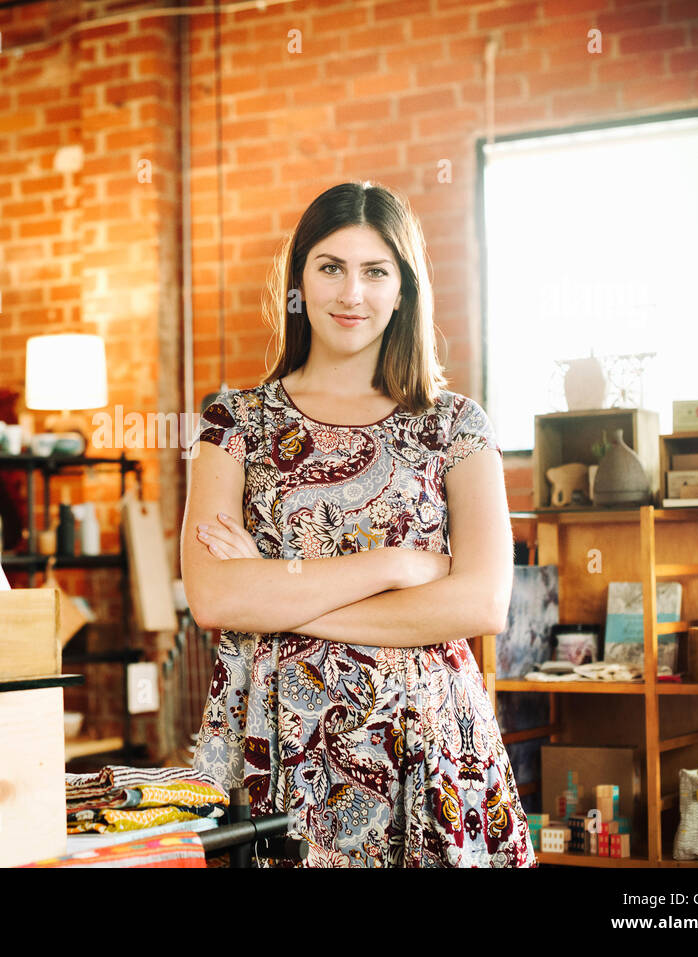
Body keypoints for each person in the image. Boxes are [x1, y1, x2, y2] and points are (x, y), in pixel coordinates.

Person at [180, 181, 536, 868]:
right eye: (330, 266)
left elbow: (482, 603)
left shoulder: (455, 425)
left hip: (427, 751)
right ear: (298, 281)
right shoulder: (232, 422)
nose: (353, 293)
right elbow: (217, 597)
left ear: (403, 289)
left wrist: (277, 596)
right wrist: (397, 568)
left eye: (377, 271)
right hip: (277, 748)